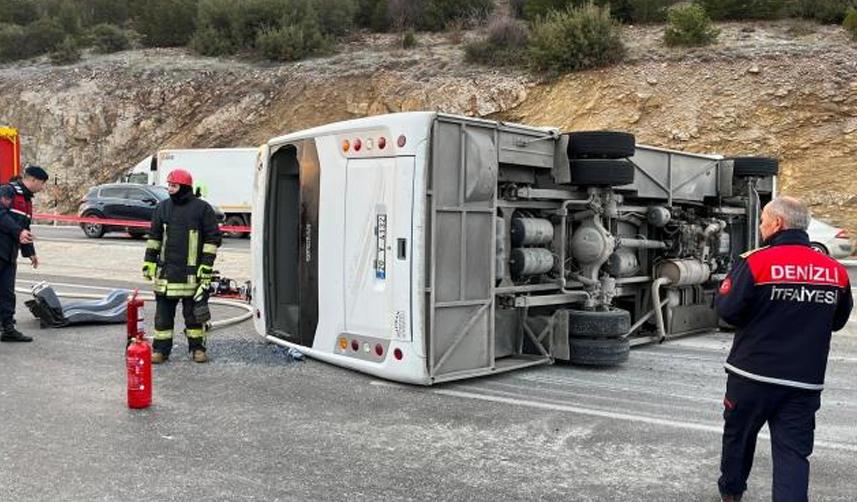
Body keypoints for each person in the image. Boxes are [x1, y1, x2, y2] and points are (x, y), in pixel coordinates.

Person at [715, 196, 853, 502]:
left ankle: (731, 493)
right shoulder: (835, 271)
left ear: (777, 223)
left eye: (763, 220)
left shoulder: (755, 261)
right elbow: (838, 319)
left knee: (739, 438)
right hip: (803, 381)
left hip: (751, 375)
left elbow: (727, 309)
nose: (761, 226)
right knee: (793, 454)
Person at [142, 168, 221, 363]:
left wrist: (206, 265)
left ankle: (197, 349)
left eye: (174, 185)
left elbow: (212, 239)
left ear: (184, 187)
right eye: (168, 185)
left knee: (194, 317)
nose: (169, 189)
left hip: (191, 275)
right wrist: (149, 262)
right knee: (162, 318)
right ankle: (160, 351)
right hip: (166, 275)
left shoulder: (202, 209)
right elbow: (154, 238)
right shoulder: (163, 208)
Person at [0, 166, 48, 342]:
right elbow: (1, 214)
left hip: (9, 254)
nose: (42, 188)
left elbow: (25, 228)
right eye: (42, 184)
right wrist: (18, 231)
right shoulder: (7, 191)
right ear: (34, 180)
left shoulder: (26, 200)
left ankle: (7, 329)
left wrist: (30, 253)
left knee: (7, 293)